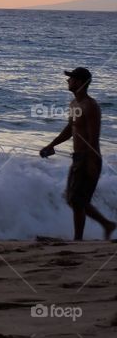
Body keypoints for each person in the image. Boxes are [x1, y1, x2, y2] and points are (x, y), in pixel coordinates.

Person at [40, 67, 115, 241]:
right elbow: (70, 129)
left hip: (88, 157)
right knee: (73, 199)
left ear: (80, 82)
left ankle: (80, 238)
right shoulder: (74, 104)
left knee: (77, 201)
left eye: (71, 78)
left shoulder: (91, 106)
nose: (68, 81)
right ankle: (105, 225)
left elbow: (93, 138)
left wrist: (92, 162)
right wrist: (51, 145)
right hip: (77, 158)